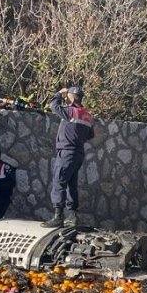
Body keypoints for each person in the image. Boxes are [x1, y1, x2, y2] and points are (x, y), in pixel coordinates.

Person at [42, 85, 94, 228]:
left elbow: (53, 105)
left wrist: (59, 93)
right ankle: (73, 216)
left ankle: (58, 216)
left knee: (59, 182)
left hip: (67, 152)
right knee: (72, 184)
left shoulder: (70, 111)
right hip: (78, 153)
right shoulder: (86, 115)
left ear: (71, 96)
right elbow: (91, 135)